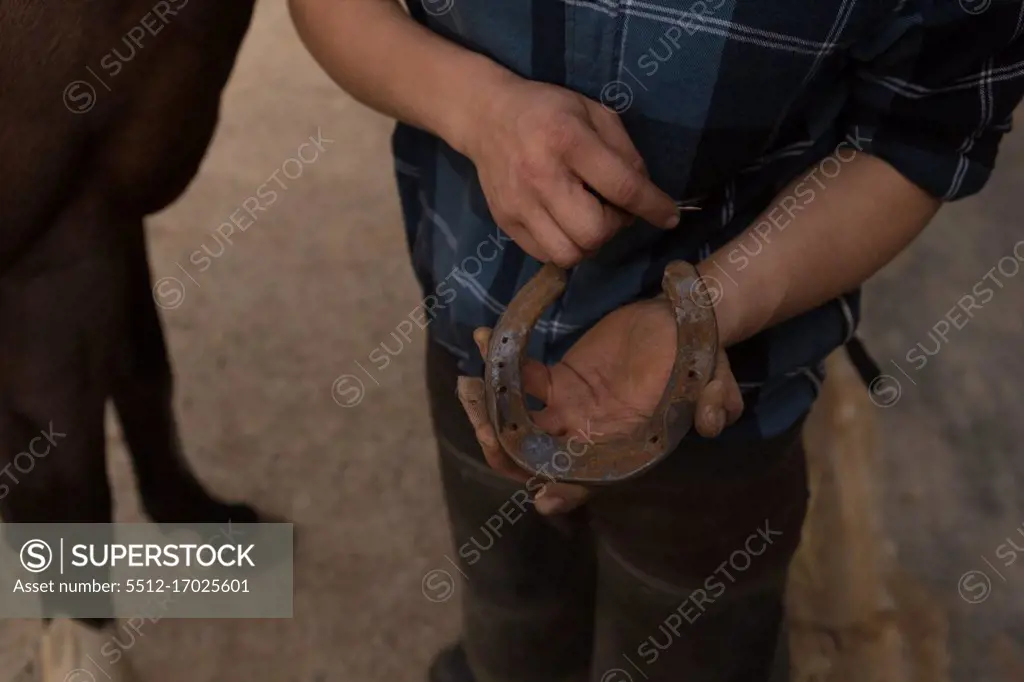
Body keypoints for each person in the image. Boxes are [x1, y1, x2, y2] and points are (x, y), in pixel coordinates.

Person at [291, 0, 1024, 679]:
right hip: (471, 330)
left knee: (694, 640)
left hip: (734, 400)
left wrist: (710, 307)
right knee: (509, 612)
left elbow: (924, 135)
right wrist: (475, 108)